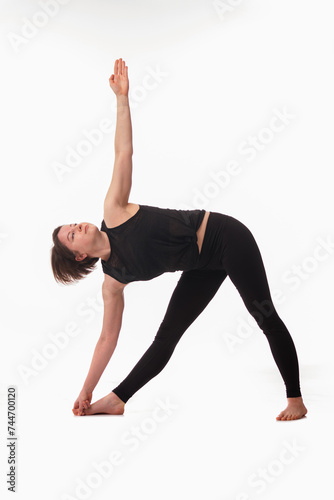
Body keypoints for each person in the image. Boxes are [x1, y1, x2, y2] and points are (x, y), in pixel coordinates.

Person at [51, 58, 308, 421]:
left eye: (73, 224)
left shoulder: (114, 210)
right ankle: (116, 398)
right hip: (202, 264)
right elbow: (107, 340)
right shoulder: (112, 283)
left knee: (262, 312)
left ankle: (295, 399)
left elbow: (123, 153)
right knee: (166, 337)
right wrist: (85, 389)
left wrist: (122, 100)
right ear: (78, 256)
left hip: (225, 236)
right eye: (71, 235)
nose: (77, 227)